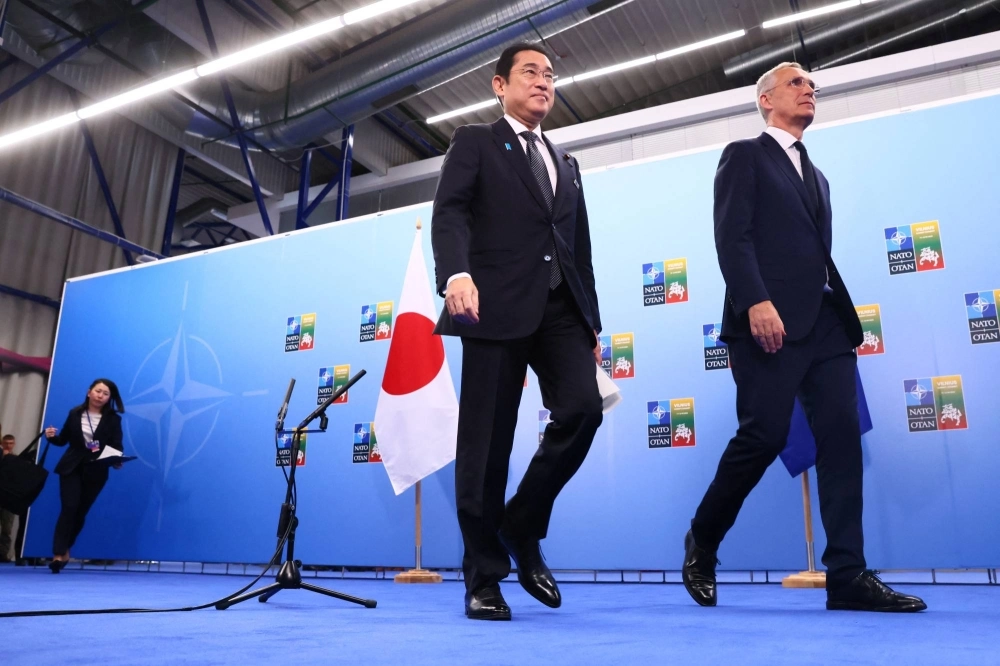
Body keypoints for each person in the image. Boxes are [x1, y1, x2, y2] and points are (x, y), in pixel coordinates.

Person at [682, 62, 926, 613]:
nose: (809, 90)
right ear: (766, 100)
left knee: (840, 440)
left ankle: (847, 576)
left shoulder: (817, 176)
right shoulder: (743, 155)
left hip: (826, 325)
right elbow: (732, 237)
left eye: (813, 85)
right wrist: (755, 301)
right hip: (766, 323)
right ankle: (703, 539)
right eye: (797, 83)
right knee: (763, 437)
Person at [432, 42, 603, 621]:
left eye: (551, 74)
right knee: (485, 448)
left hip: (560, 311)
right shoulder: (476, 141)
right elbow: (450, 210)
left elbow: (579, 250)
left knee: (582, 410)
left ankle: (521, 522)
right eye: (530, 72)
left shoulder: (566, 162)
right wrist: (456, 273)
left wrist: (592, 322)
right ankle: (483, 576)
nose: (544, 81)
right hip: (492, 305)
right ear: (499, 85)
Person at [44, 378, 125, 573]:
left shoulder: (113, 419)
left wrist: (116, 459)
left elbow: (117, 444)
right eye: (98, 391)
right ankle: (58, 554)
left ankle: (65, 548)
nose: (101, 395)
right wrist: (51, 436)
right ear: (89, 392)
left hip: (96, 470)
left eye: (106, 394)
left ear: (109, 398)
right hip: (71, 467)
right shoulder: (74, 413)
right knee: (69, 508)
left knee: (80, 512)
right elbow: (63, 440)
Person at [0, 434, 16, 562]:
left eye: (11, 443)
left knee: (7, 528)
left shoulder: (16, 460)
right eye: (6, 443)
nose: (8, 446)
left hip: (9, 499)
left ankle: (3, 554)